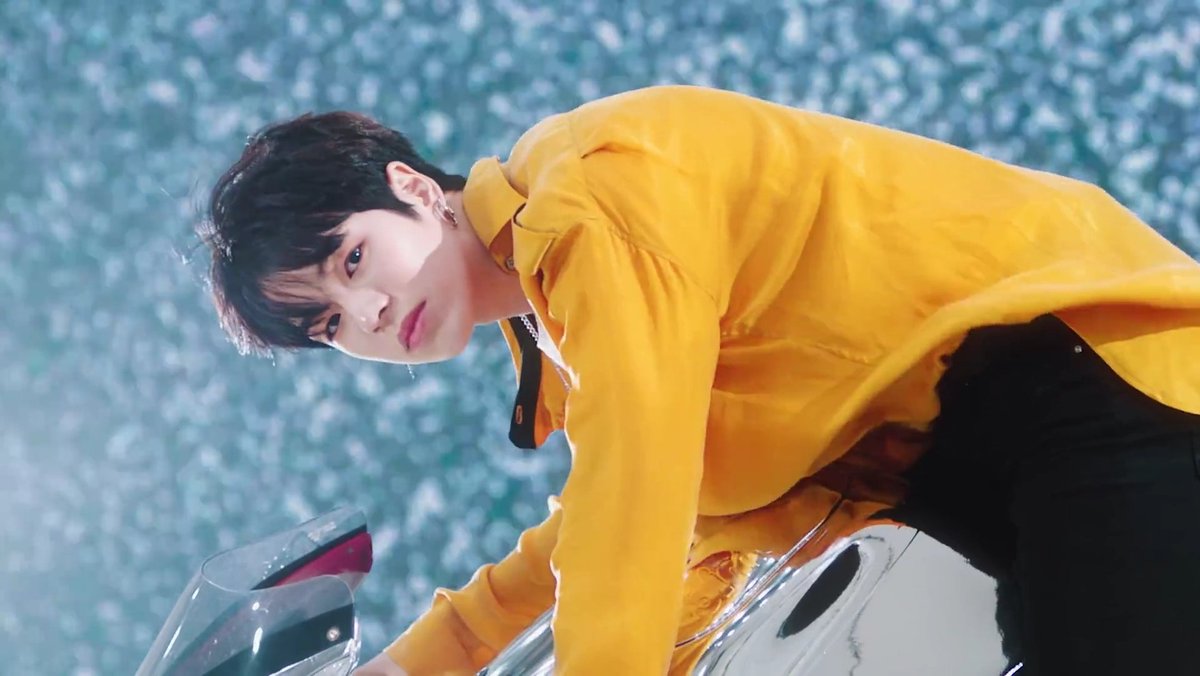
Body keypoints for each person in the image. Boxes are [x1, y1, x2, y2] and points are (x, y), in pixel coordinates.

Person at [198, 85, 1200, 675]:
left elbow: (632, 506)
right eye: (330, 323)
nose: (369, 313)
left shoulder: (588, 200)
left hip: (1090, 380)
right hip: (1009, 459)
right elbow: (619, 520)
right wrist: (419, 662)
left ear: (413, 188)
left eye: (352, 259)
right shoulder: (563, 325)